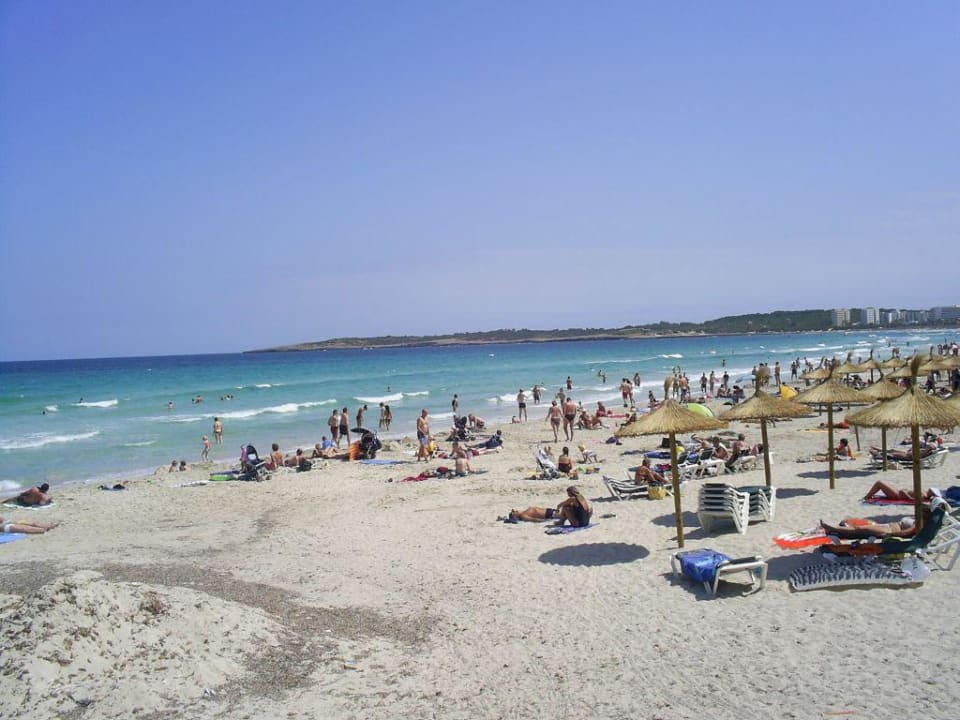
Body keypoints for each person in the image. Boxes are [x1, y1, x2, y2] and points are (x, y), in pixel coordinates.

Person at [819, 515, 918, 539]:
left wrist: (890, 534)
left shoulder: (919, 524)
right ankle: (842, 528)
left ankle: (833, 528)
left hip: (888, 530)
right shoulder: (917, 517)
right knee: (847, 520)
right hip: (885, 525)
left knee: (859, 529)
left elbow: (905, 533)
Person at [863, 481, 941, 503]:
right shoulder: (925, 493)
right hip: (898, 492)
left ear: (932, 493)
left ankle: (867, 497)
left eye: (931, 490)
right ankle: (869, 496)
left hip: (897, 495)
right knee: (884, 483)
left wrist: (908, 497)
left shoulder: (923, 495)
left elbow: (909, 497)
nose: (930, 489)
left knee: (879, 483)